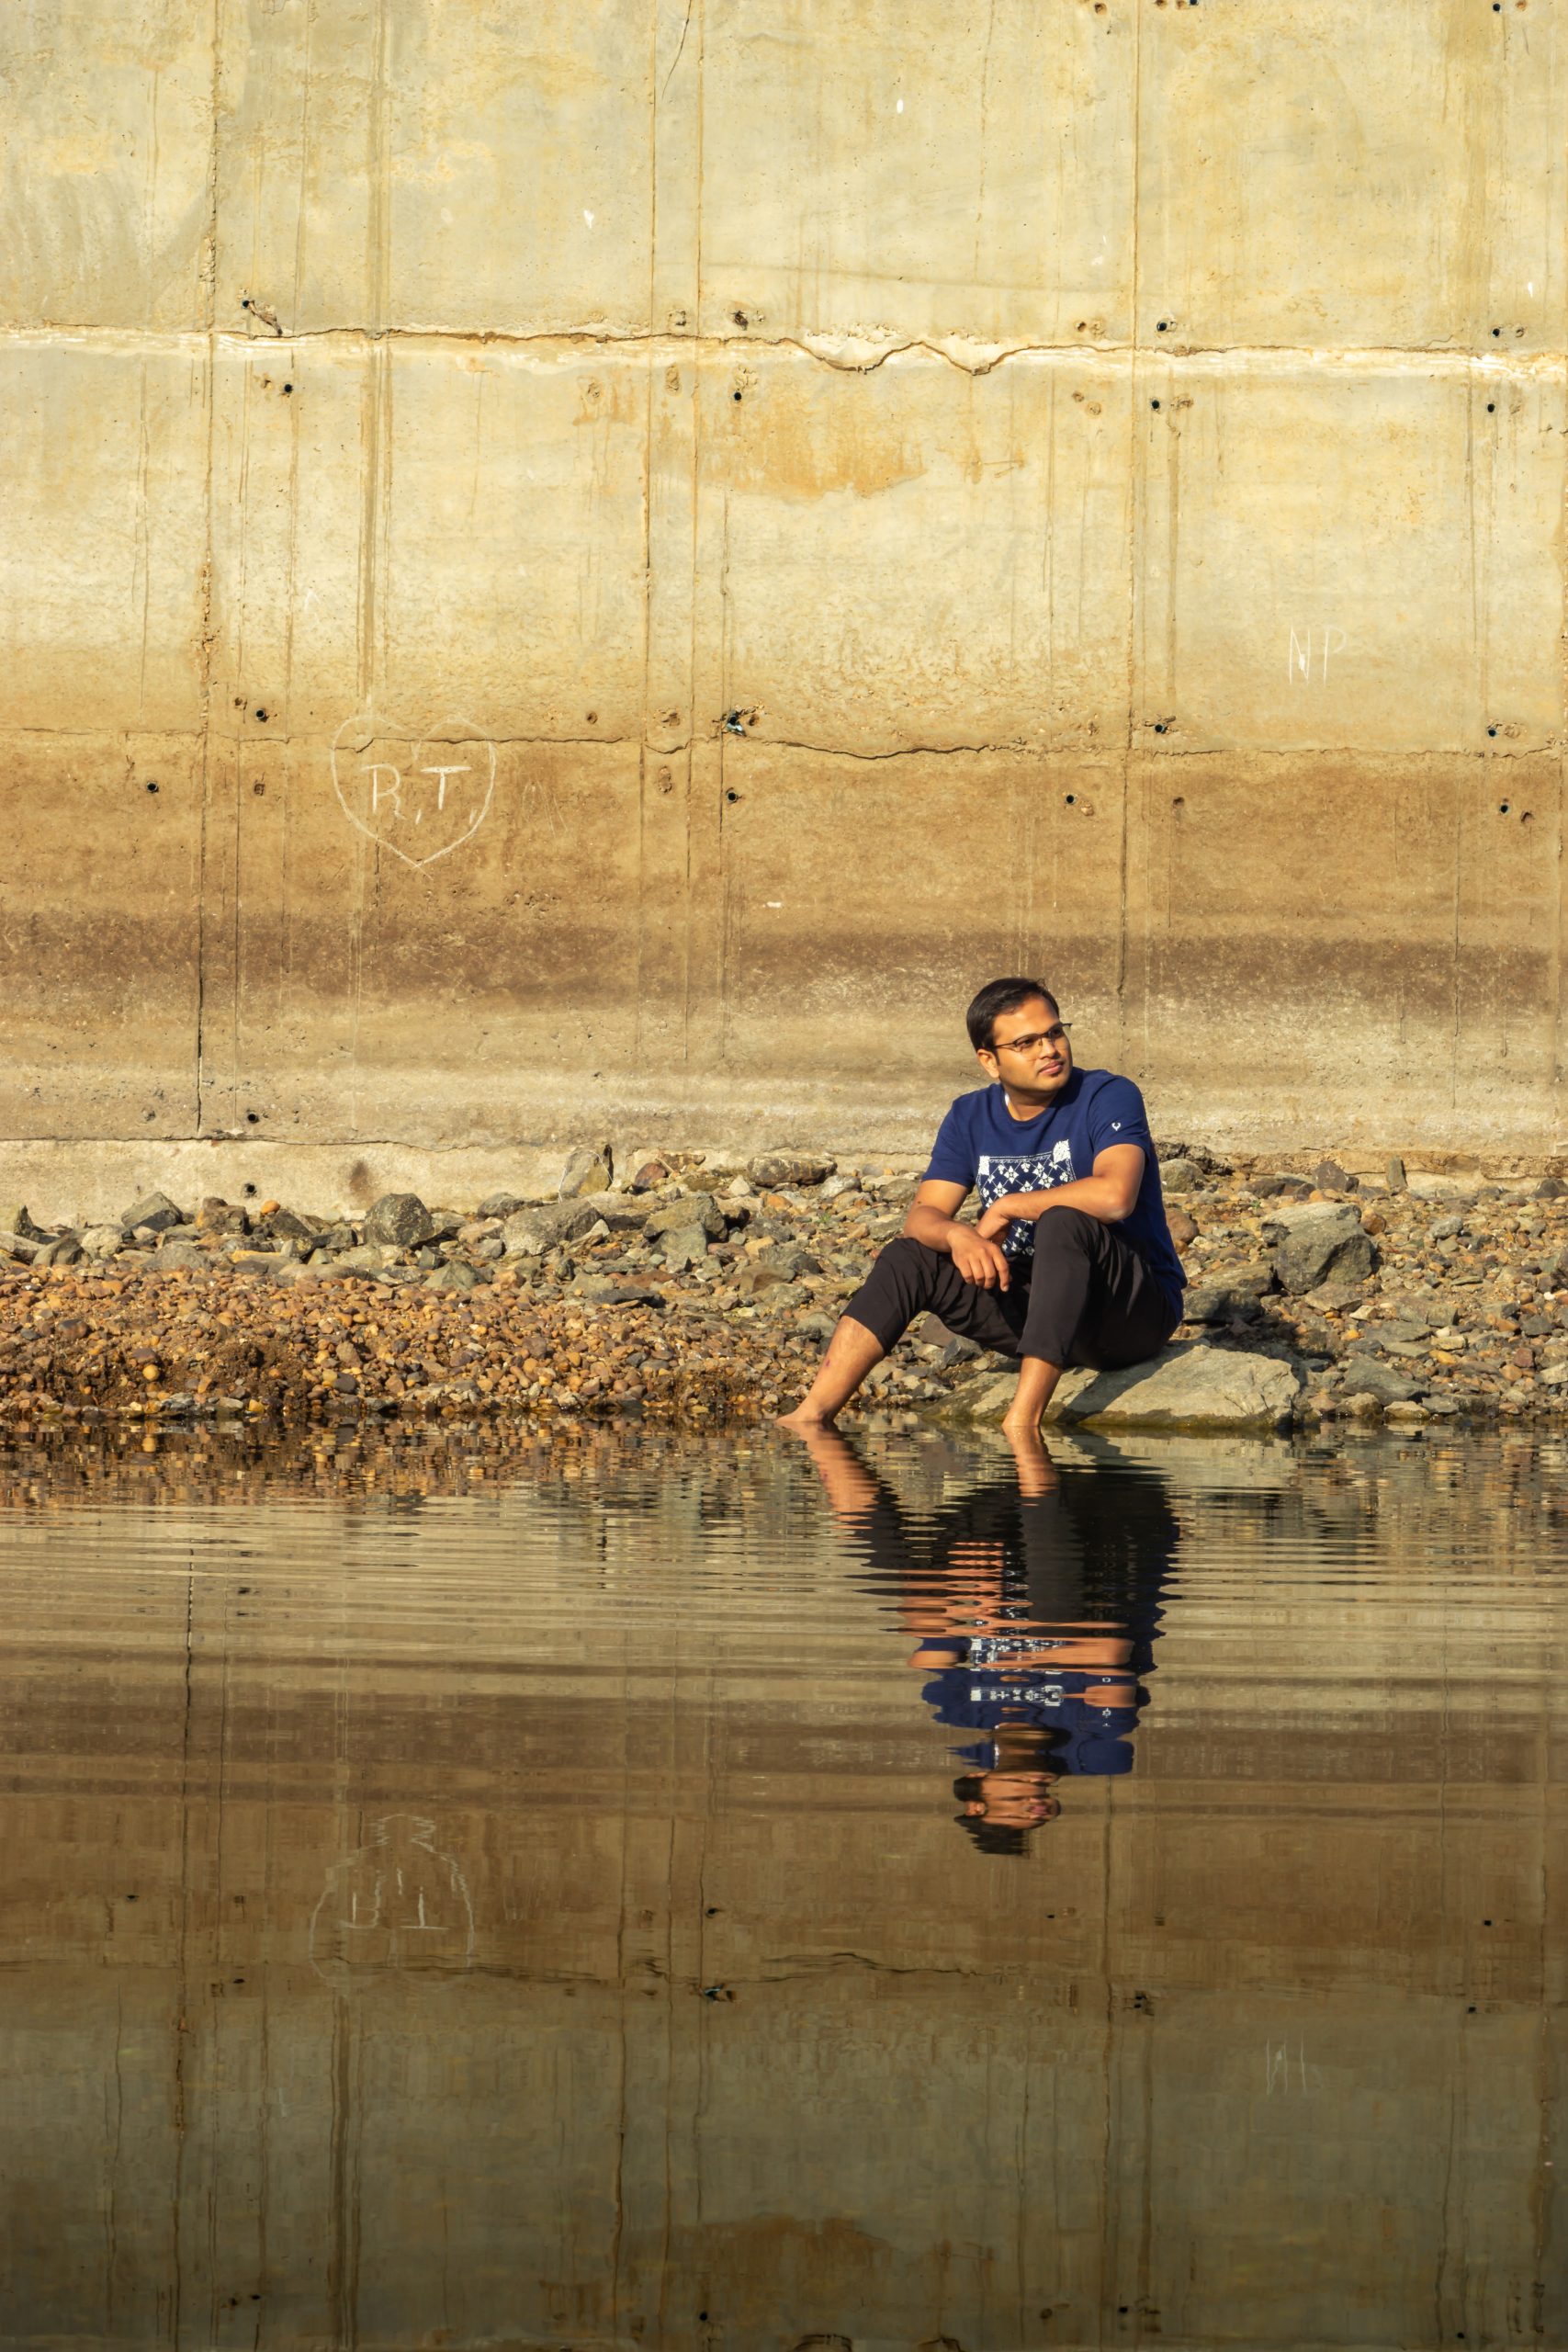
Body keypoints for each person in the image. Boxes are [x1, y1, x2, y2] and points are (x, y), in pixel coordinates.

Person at [780, 976, 1185, 1436]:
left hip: (1127, 1312)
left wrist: (1012, 1205)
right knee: (907, 1257)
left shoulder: (1106, 1095)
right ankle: (811, 1415)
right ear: (989, 1061)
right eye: (1026, 1042)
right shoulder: (970, 1115)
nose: (1049, 1049)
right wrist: (958, 1234)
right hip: (1036, 1309)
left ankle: (1022, 1421)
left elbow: (1115, 1197)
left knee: (1063, 1222)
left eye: (1054, 1032)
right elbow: (922, 1217)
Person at [793, 1421, 1177, 1856]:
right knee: (1057, 1615)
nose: (1038, 1797)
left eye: (1016, 1801)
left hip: (1003, 1534)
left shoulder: (959, 1713)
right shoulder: (1094, 1749)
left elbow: (922, 1640)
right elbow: (1111, 1648)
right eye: (1043, 1806)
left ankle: (823, 1446)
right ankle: (1030, 1455)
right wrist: (1013, 1652)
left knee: (904, 1577)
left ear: (977, 1791)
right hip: (1114, 1535)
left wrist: (968, 1608)